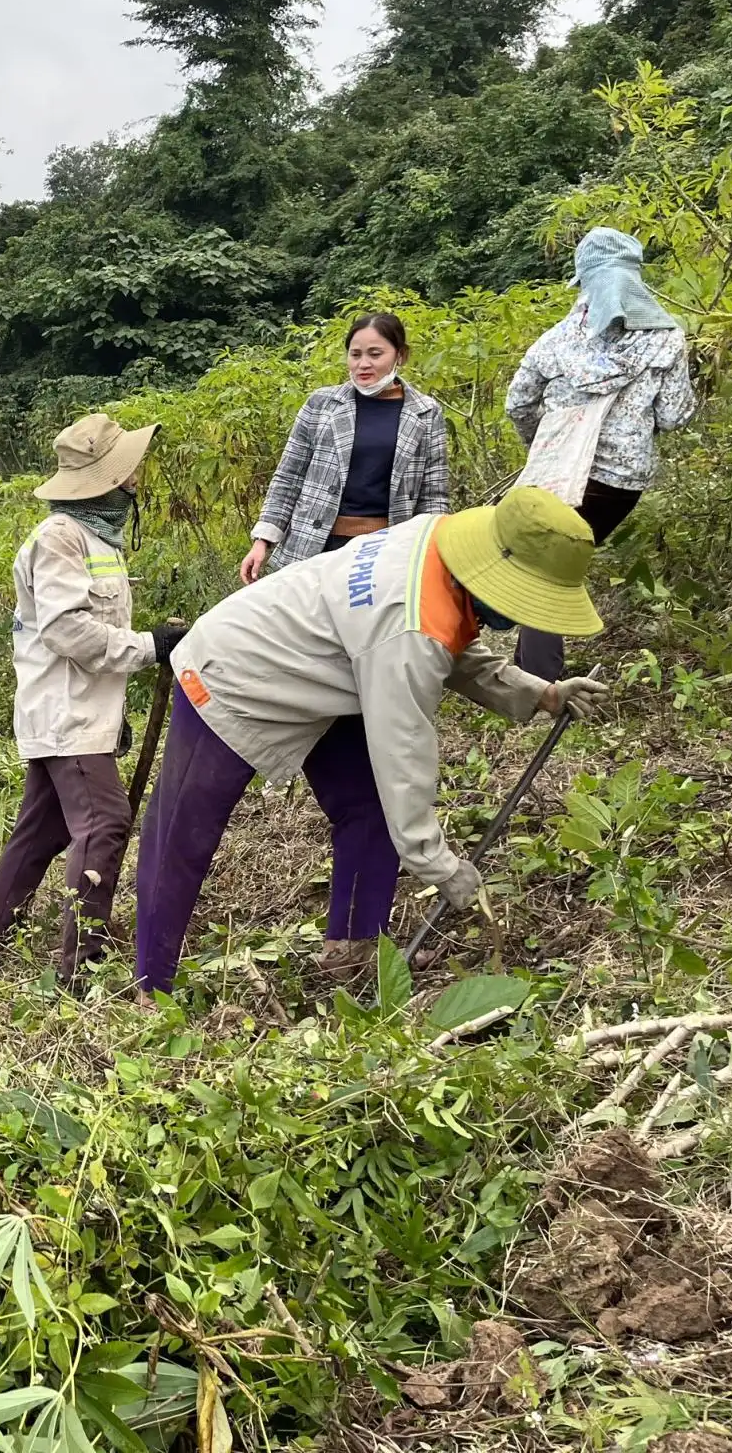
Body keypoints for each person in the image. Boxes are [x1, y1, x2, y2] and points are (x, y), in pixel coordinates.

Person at [133, 486, 613, 996]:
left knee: (368, 809)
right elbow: (401, 749)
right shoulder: (407, 630)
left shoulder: (438, 539)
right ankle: (150, 984)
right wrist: (438, 862)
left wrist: (542, 694)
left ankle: (355, 952)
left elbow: (448, 641)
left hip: (330, 668)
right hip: (235, 672)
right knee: (185, 834)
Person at [0, 412, 187, 983]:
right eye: (128, 472)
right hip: (64, 712)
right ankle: (81, 970)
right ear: (108, 480)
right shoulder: (59, 539)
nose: (137, 479)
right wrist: (150, 647)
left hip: (81, 711)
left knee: (41, 831)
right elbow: (67, 631)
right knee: (106, 822)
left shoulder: (98, 538)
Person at [506, 226, 695, 679]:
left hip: (559, 472)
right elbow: (673, 416)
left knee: (539, 565)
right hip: (619, 483)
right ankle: (531, 670)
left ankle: (538, 680)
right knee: (552, 563)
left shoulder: (557, 342)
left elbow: (518, 402)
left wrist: (542, 443)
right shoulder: (667, 339)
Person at [240, 312, 451, 584]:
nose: (363, 364)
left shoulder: (426, 413)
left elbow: (433, 496)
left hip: (385, 553)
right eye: (355, 354)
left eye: (375, 354)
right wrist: (263, 540)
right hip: (313, 547)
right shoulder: (322, 404)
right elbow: (288, 477)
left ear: (400, 356)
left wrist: (433, 552)